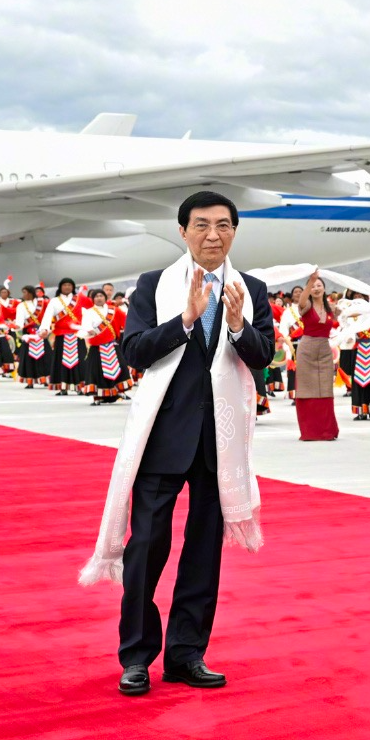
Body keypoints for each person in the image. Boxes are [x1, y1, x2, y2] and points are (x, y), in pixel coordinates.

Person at [85, 191, 274, 697]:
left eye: (223, 225)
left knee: (203, 553)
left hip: (220, 443)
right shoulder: (154, 286)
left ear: (234, 231)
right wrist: (185, 320)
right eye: (202, 225)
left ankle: (188, 654)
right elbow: (134, 352)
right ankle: (137, 656)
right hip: (163, 439)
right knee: (146, 548)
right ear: (183, 231)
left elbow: (264, 357)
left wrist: (236, 326)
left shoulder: (250, 289)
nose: (213, 234)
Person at [293, 273, 339, 441]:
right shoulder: (306, 306)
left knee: (325, 387)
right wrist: (311, 280)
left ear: (324, 288)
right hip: (307, 349)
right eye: (313, 286)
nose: (316, 288)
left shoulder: (331, 308)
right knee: (307, 388)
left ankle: (327, 430)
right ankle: (310, 431)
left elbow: (349, 314)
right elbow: (301, 300)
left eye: (319, 285)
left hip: (325, 350)